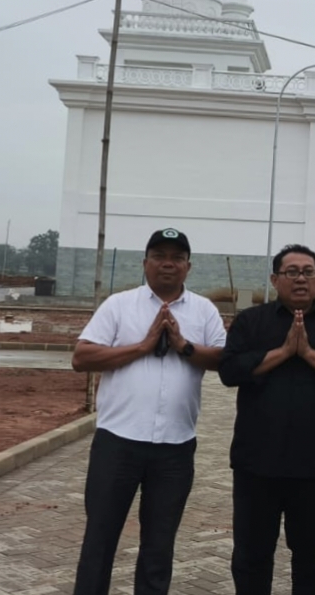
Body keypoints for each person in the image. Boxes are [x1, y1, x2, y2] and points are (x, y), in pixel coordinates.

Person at [70, 228, 227, 595]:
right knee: (99, 540)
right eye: (159, 256)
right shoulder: (118, 305)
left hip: (175, 448)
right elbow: (82, 357)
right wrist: (141, 347)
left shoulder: (204, 310)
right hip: (117, 444)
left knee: (159, 545)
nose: (167, 264)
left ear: (188, 266)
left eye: (176, 257)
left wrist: (183, 345)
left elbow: (224, 359)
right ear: (145, 263)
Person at [219, 243, 315, 595]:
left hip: (313, 467)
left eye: (308, 272)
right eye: (292, 272)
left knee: (313, 562)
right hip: (256, 466)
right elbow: (229, 370)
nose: (301, 279)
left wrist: (310, 354)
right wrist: (284, 352)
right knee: (251, 559)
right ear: (275, 279)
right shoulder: (251, 322)